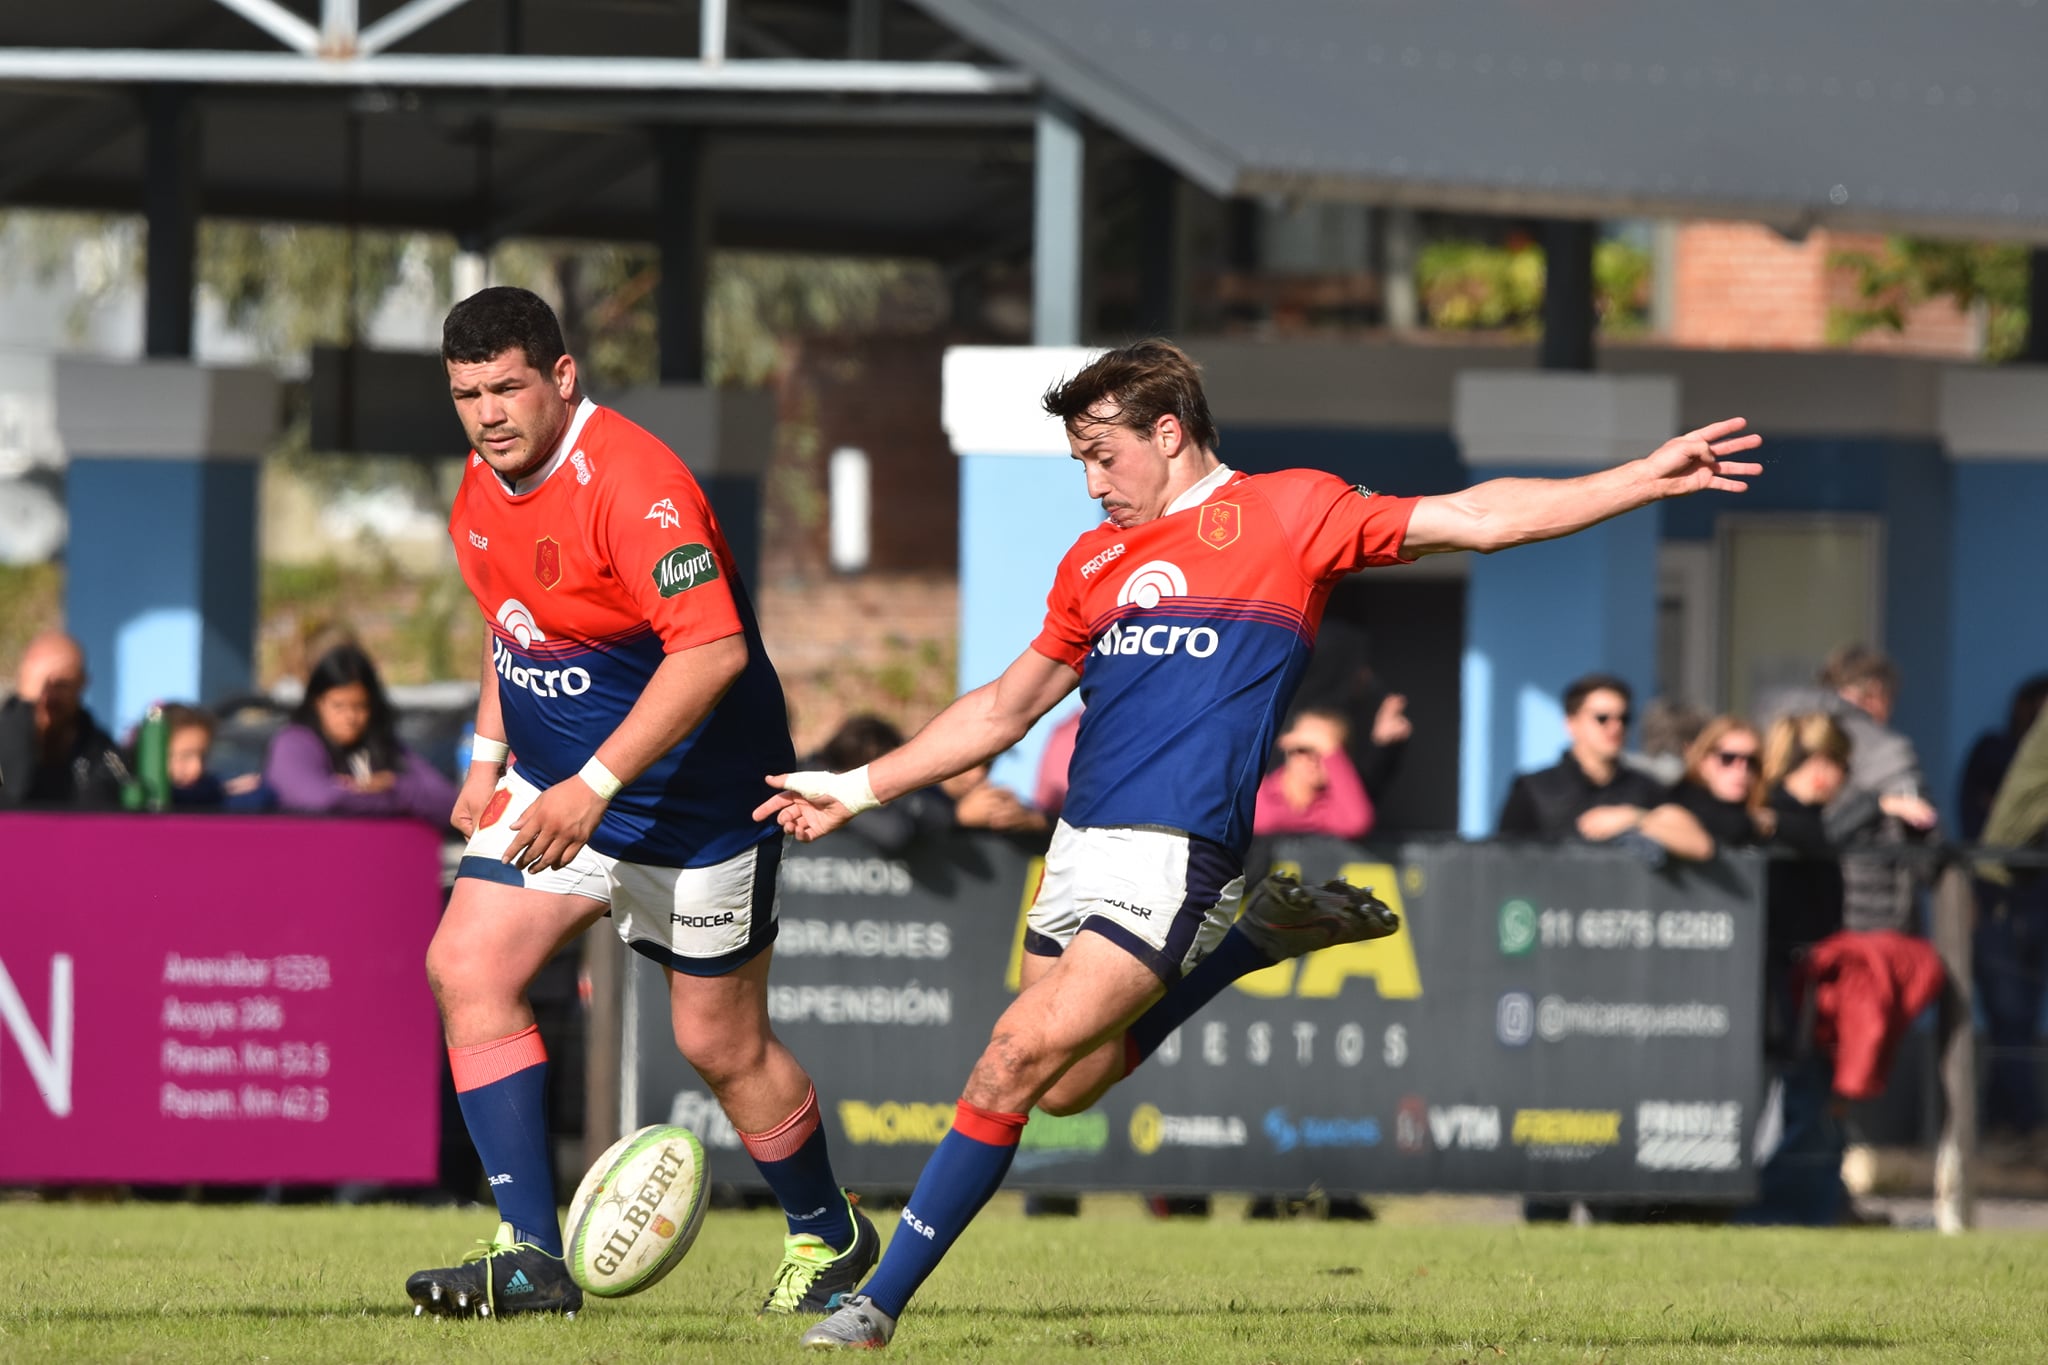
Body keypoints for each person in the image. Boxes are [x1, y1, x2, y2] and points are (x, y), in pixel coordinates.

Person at [756, 339, 1764, 1349]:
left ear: (1168, 431)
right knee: (1063, 1084)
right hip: (1077, 845)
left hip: (1173, 851)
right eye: (1078, 461)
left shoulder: (1289, 513)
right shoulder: (1092, 560)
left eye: (1104, 455)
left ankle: (875, 1303)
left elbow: (1477, 519)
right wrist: (855, 785)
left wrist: (1638, 477)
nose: (1092, 481)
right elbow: (1003, 709)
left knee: (1008, 1060)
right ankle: (1244, 947)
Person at [405, 287, 873, 1322]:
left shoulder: (635, 483)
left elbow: (711, 653)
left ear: (562, 377)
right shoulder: (479, 493)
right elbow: (512, 631)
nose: (487, 414)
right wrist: (486, 757)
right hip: (560, 787)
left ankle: (828, 1233)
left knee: (719, 1044)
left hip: (695, 810)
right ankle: (528, 1254)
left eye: (508, 388)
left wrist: (593, 785)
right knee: (466, 965)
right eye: (467, 394)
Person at [1495, 673, 1712, 862]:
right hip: (1555, 907)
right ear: (1571, 724)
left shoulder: (1645, 788)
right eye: (1602, 718)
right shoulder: (1534, 789)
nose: (1615, 727)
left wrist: (1634, 817)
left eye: (1624, 719)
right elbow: (1506, 862)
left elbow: (1700, 845)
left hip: (1626, 908)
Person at [264, 643, 458, 826]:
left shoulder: (383, 747)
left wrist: (393, 785)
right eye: (338, 706)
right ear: (317, 703)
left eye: (360, 706)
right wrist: (374, 795)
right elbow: (320, 800)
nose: (350, 717)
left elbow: (450, 805)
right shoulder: (294, 743)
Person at [0, 630, 127, 808]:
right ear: (23, 681)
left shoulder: (101, 752)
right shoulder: (7, 736)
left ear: (81, 683)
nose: (49, 696)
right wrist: (26, 707)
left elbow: (99, 818)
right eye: (40, 684)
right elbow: (12, 795)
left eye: (62, 685)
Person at [1253, 706, 1373, 840]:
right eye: (1304, 748)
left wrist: (1328, 746)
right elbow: (1260, 820)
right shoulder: (1259, 790)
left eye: (1324, 752)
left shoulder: (1332, 807)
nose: (1313, 760)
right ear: (1286, 745)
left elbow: (1357, 823)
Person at [1664, 715, 1769, 853]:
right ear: (1702, 761)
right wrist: (1755, 822)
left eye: (1751, 761)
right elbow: (1733, 827)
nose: (1742, 769)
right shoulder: (1681, 798)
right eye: (1728, 758)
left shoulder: (1762, 805)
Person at [162, 702, 268, 809]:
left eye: (203, 756)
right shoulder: (149, 806)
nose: (197, 768)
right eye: (186, 756)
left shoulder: (212, 790)